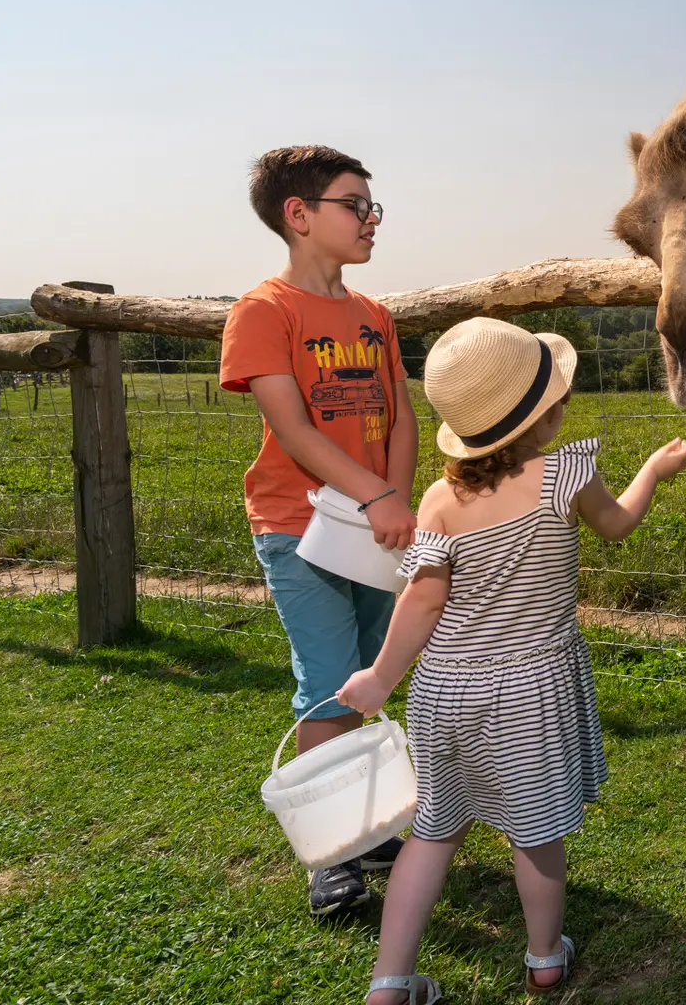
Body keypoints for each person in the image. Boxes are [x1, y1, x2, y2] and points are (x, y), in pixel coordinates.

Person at [338, 316, 686, 1004]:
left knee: (433, 834)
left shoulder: (440, 500)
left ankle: (387, 985)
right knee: (536, 837)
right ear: (545, 415)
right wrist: (653, 469)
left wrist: (381, 676)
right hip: (530, 690)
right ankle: (543, 960)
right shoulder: (565, 475)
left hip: (444, 691)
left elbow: (421, 602)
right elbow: (617, 523)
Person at [218, 146, 420, 916]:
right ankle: (329, 856)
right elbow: (295, 430)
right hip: (299, 527)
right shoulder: (264, 312)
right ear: (298, 217)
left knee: (366, 677)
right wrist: (377, 499)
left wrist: (394, 497)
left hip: (376, 519)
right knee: (330, 684)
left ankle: (364, 831)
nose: (371, 219)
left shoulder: (374, 316)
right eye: (354, 204)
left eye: (373, 205)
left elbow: (399, 413)